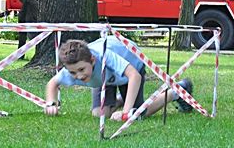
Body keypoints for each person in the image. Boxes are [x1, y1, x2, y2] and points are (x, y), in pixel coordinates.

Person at [44, 36, 193, 121]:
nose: (79, 76)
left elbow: (134, 76)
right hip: (105, 79)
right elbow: (53, 83)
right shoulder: (74, 66)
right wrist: (51, 103)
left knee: (138, 114)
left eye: (82, 70)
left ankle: (177, 91)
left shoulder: (106, 56)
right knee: (99, 114)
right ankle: (122, 98)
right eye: (73, 73)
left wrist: (126, 112)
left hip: (130, 68)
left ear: (93, 60)